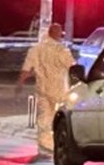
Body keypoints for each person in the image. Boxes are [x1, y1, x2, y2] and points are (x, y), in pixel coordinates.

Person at [18, 23, 76, 155]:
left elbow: (26, 69)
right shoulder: (62, 51)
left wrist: (19, 84)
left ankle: (43, 146)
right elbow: (73, 67)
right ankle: (55, 146)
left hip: (42, 90)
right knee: (58, 120)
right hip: (59, 91)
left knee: (44, 118)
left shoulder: (36, 49)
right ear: (58, 34)